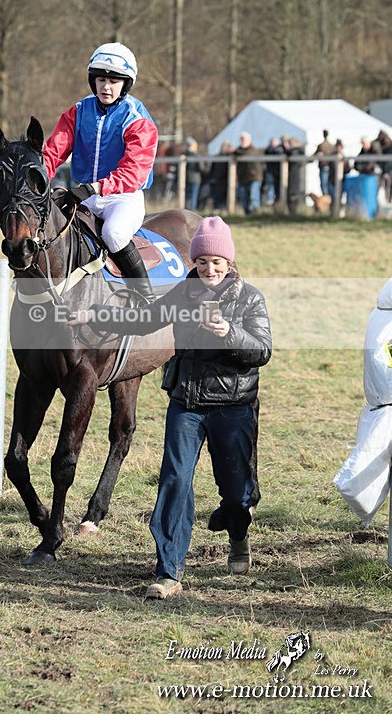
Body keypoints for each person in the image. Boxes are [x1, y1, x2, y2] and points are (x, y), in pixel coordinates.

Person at [69, 216, 272, 598]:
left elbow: (262, 351)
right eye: (202, 262)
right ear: (193, 262)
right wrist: (94, 315)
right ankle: (169, 570)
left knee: (236, 491)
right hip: (187, 405)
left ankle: (238, 532)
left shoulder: (249, 299)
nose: (209, 269)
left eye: (217, 262)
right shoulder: (183, 293)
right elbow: (144, 319)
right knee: (175, 481)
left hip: (233, 405)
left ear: (229, 263)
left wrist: (230, 333)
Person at [43, 42, 158, 302]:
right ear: (92, 81)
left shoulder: (137, 118)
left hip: (123, 197)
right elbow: (53, 151)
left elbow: (134, 171)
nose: (106, 87)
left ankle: (145, 296)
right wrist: (39, 179)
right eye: (101, 79)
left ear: (125, 85)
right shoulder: (78, 111)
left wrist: (96, 187)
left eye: (114, 81)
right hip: (84, 196)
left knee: (113, 233)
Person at [234, 132, 263, 215]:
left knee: (253, 196)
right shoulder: (238, 150)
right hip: (243, 177)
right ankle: (247, 214)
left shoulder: (253, 150)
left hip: (254, 177)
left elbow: (246, 154)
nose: (242, 141)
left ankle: (255, 213)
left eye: (244, 139)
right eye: (241, 139)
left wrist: (236, 152)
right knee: (245, 197)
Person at [200, 140, 233, 211]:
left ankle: (220, 210)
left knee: (220, 199)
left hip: (223, 181)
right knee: (216, 199)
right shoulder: (218, 157)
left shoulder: (229, 157)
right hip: (218, 181)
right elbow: (212, 169)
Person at [313, 130, 336, 196]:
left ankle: (327, 199)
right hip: (330, 167)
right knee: (329, 185)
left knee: (324, 184)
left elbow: (314, 155)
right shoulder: (332, 146)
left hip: (324, 167)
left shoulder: (321, 145)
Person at [263, 137, 284, 205]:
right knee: (270, 185)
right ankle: (270, 200)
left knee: (277, 186)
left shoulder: (280, 149)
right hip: (270, 171)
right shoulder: (268, 150)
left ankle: (277, 200)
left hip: (278, 172)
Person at [184, 137, 202, 212]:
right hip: (195, 178)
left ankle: (186, 210)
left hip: (186, 178)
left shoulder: (184, 155)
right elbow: (201, 167)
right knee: (193, 196)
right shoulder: (197, 155)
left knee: (187, 196)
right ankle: (192, 211)